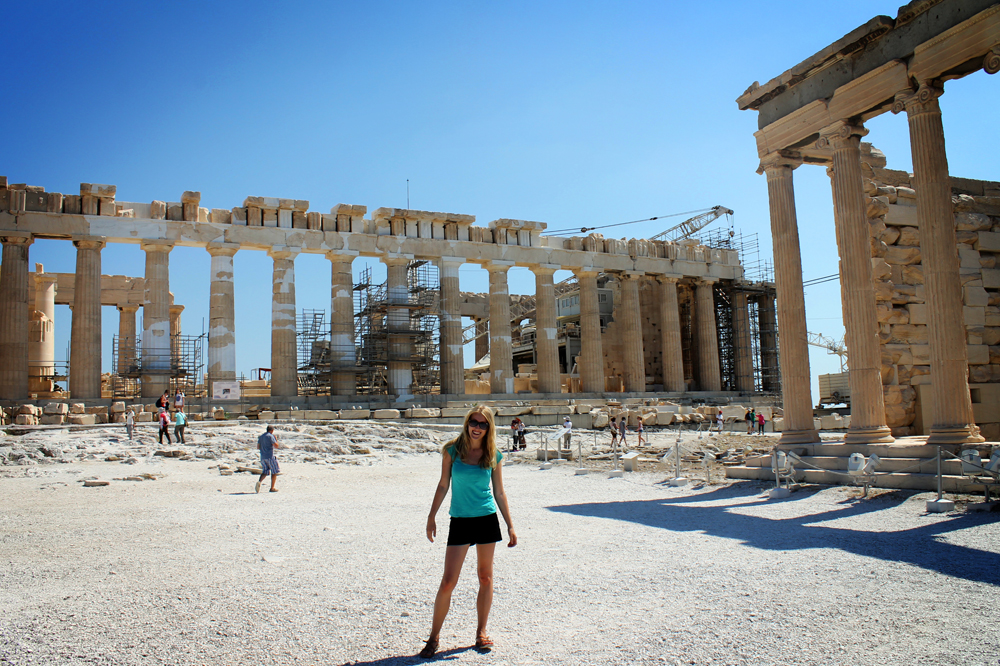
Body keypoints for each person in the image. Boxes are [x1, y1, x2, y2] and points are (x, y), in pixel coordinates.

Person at [420, 406, 516, 658]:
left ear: (489, 427)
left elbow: (499, 492)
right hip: (460, 520)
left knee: (485, 577)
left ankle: (481, 632)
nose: (477, 427)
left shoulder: (493, 454)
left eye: (483, 424)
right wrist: (431, 516)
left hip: (486, 518)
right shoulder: (452, 450)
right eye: (473, 421)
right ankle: (433, 637)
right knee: (448, 581)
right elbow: (443, 485)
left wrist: (510, 524)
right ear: (467, 423)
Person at [256, 425, 281, 493]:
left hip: (263, 457)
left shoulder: (261, 437)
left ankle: (259, 482)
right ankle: (272, 487)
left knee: (265, 471)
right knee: (274, 471)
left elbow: (258, 447)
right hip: (270, 456)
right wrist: (276, 440)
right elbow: (276, 446)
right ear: (272, 430)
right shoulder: (270, 436)